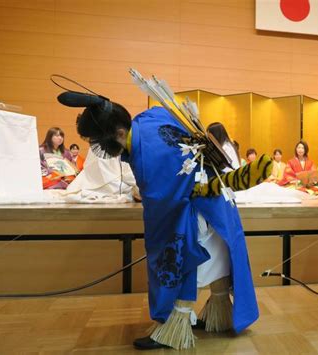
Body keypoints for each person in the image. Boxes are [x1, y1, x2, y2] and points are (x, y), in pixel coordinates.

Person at [60, 92, 271, 351]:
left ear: (115, 133)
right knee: (218, 258)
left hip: (198, 208)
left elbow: (163, 214)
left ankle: (175, 325)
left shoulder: (149, 159)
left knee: (182, 256)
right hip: (217, 202)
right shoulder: (149, 117)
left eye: (97, 141)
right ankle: (219, 314)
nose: (98, 148)